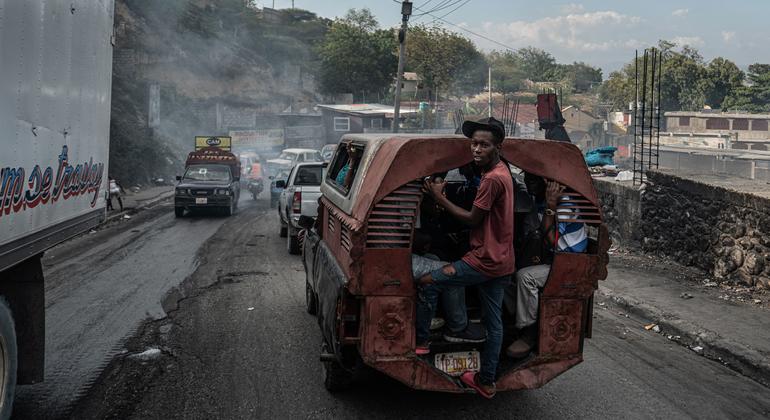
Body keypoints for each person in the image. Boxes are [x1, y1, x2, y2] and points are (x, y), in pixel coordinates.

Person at [416, 117, 514, 399]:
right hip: (502, 261)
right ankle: (486, 381)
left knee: (428, 282)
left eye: (484, 144)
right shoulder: (503, 172)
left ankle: (422, 342)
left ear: (498, 147)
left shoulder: (493, 179)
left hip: (483, 260)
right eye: (474, 143)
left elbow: (472, 219)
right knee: (494, 323)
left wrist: (437, 196)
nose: (477, 149)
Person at [505, 173, 587, 359]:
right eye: (527, 179)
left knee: (525, 277)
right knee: (505, 273)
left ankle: (530, 332)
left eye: (533, 180)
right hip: (554, 260)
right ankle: (517, 320)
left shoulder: (565, 205)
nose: (528, 184)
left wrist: (551, 207)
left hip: (568, 264)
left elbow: (554, 244)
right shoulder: (539, 201)